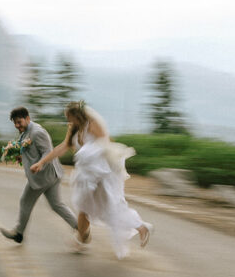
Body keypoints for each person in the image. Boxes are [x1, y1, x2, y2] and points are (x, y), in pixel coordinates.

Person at [31, 101, 152, 258]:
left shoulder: (92, 124)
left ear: (77, 115)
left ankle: (141, 227)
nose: (68, 121)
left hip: (102, 175)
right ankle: (81, 241)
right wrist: (41, 162)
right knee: (84, 207)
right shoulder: (74, 130)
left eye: (69, 117)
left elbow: (104, 144)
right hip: (87, 176)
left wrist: (86, 153)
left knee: (109, 208)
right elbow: (62, 147)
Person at [0, 107, 79, 244]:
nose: (17, 126)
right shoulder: (26, 131)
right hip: (51, 175)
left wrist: (40, 164)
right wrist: (20, 156)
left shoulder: (37, 132)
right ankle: (80, 227)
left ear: (28, 118)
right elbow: (30, 149)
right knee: (57, 205)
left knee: (25, 201)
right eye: (15, 123)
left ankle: (18, 233)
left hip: (43, 176)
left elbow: (48, 152)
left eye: (19, 122)